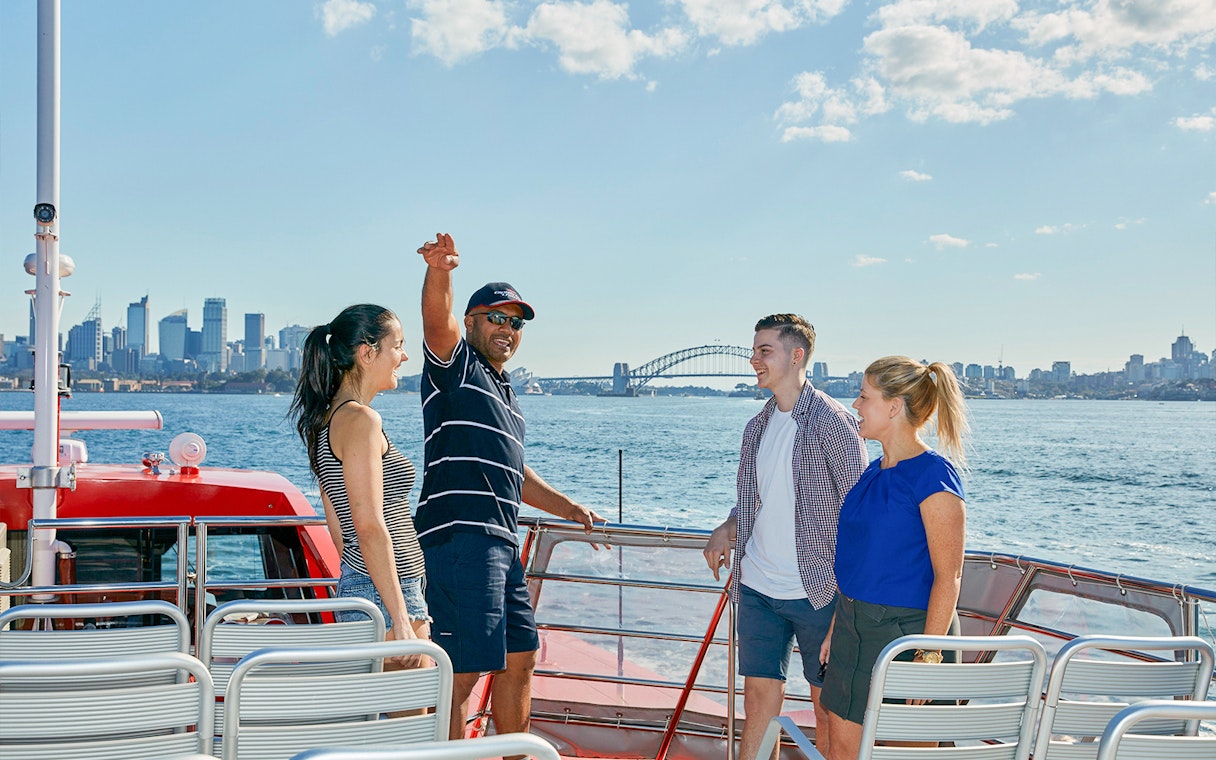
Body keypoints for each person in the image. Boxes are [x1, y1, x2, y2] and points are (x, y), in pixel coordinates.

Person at [415, 232, 606, 740]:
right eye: (496, 317)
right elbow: (437, 324)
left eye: (516, 323)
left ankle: (516, 756)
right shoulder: (454, 370)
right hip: (460, 539)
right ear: (472, 322)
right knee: (460, 672)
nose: (508, 328)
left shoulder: (505, 391)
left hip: (501, 541)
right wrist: (441, 272)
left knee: (520, 656)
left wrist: (568, 507)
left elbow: (515, 474)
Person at [702, 314, 867, 760]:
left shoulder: (834, 422)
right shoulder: (756, 427)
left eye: (764, 351)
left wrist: (847, 606)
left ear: (797, 356)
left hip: (819, 591)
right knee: (758, 701)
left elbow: (861, 514)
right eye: (753, 350)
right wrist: (726, 527)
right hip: (757, 586)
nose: (752, 359)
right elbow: (755, 502)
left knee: (827, 711)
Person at [819, 356, 969, 760]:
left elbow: (948, 577)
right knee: (840, 752)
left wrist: (928, 657)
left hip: (908, 638)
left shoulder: (933, 477)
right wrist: (838, 624)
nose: (855, 405)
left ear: (893, 406)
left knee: (908, 753)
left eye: (864, 396)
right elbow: (858, 557)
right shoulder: (872, 471)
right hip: (853, 628)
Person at [288, 304, 429, 669]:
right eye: (397, 345)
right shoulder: (361, 420)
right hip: (386, 594)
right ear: (368, 353)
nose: (404, 356)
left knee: (388, 718)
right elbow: (367, 527)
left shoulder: (326, 420)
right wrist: (399, 616)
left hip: (366, 587)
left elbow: (339, 529)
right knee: (416, 721)